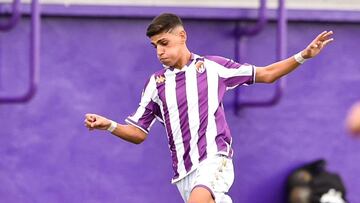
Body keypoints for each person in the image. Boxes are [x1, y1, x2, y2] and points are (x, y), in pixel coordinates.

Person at [84, 13, 334, 203]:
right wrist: (110, 125)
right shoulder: (156, 84)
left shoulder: (213, 67)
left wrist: (303, 55)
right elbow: (138, 133)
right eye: (155, 46)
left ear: (182, 36)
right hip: (183, 174)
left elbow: (266, 74)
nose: (160, 51)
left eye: (164, 42)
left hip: (214, 160)